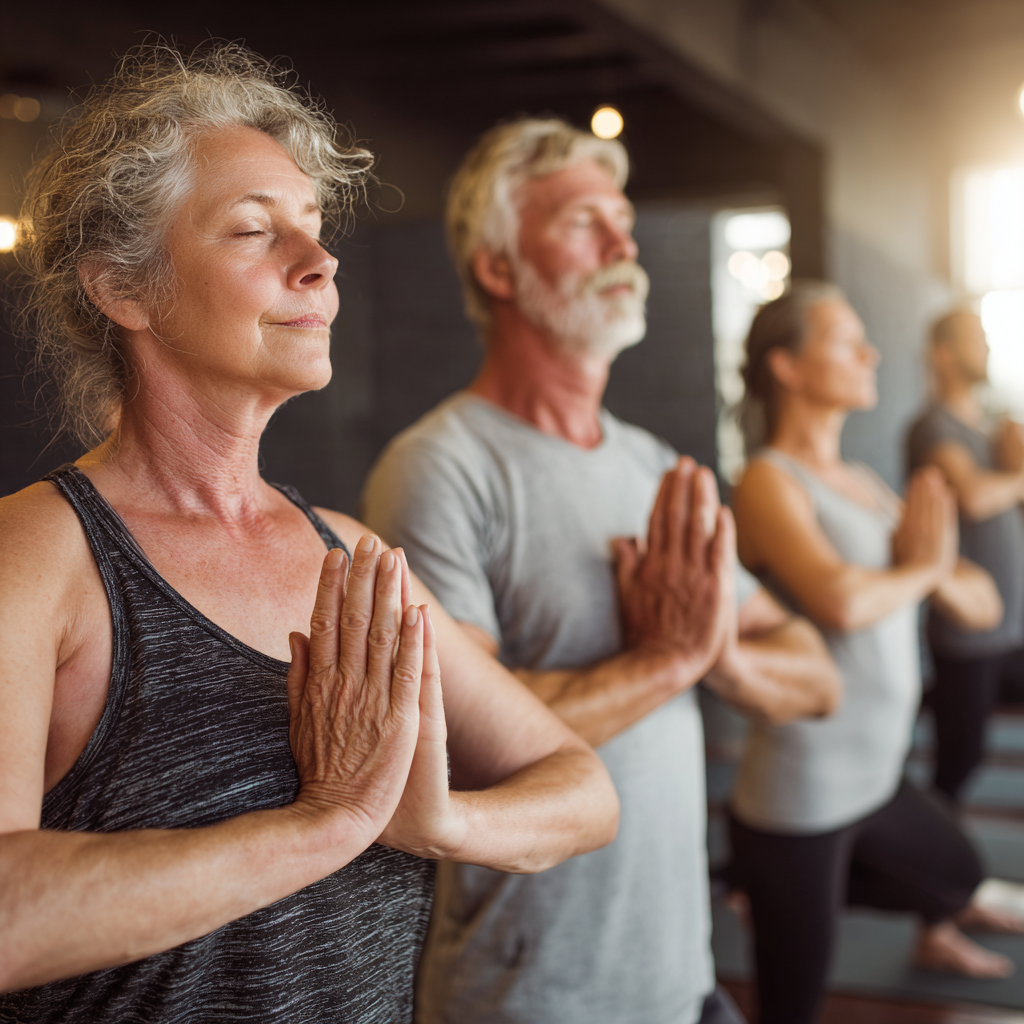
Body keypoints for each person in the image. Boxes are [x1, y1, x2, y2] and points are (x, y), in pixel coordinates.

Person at [0, 46, 620, 1022]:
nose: (318, 259)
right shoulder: (40, 555)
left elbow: (581, 789)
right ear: (124, 289)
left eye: (314, 227)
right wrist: (326, 824)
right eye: (253, 229)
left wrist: (442, 819)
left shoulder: (346, 553)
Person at [362, 118, 841, 1024]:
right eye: (585, 222)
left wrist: (717, 655)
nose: (624, 243)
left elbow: (816, 677)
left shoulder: (655, 467)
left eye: (621, 219)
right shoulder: (441, 465)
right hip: (534, 998)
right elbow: (451, 749)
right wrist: (663, 662)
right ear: (500, 270)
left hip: (683, 982)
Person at [730, 282, 1019, 1024]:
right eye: (844, 338)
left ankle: (752, 885)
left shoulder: (861, 483)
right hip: (801, 797)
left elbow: (981, 598)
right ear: (787, 366)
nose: (871, 352)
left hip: (878, 779)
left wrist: (927, 575)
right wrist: (924, 572)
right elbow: (841, 600)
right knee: (793, 1006)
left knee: (957, 875)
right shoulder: (768, 480)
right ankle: (763, 880)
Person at [907, 310, 1024, 803]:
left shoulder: (987, 430)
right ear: (943, 354)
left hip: (1011, 621)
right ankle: (934, 859)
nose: (988, 350)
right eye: (975, 340)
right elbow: (974, 496)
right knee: (960, 761)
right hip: (967, 631)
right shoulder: (935, 427)